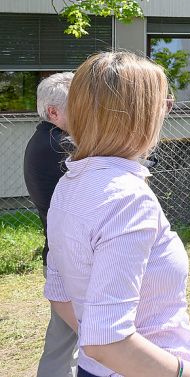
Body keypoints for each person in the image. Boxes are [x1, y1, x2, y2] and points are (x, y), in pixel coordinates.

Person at [43, 52, 190, 377]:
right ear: (138, 115)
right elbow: (107, 343)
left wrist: (102, 342)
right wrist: (189, 374)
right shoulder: (126, 198)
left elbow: (60, 296)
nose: (164, 114)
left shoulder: (70, 183)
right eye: (163, 104)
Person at [24, 72, 77, 377]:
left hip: (61, 255)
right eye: (79, 105)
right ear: (54, 112)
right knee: (79, 343)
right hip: (71, 260)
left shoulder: (45, 139)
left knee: (62, 343)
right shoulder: (59, 144)